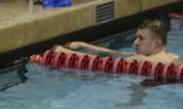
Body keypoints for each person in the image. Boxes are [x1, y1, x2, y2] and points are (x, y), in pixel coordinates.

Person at [47, 19, 178, 64]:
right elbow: (118, 54)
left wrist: (64, 52)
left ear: (157, 43)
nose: (135, 43)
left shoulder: (141, 60)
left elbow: (103, 62)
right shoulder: (173, 57)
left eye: (141, 38)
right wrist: (84, 45)